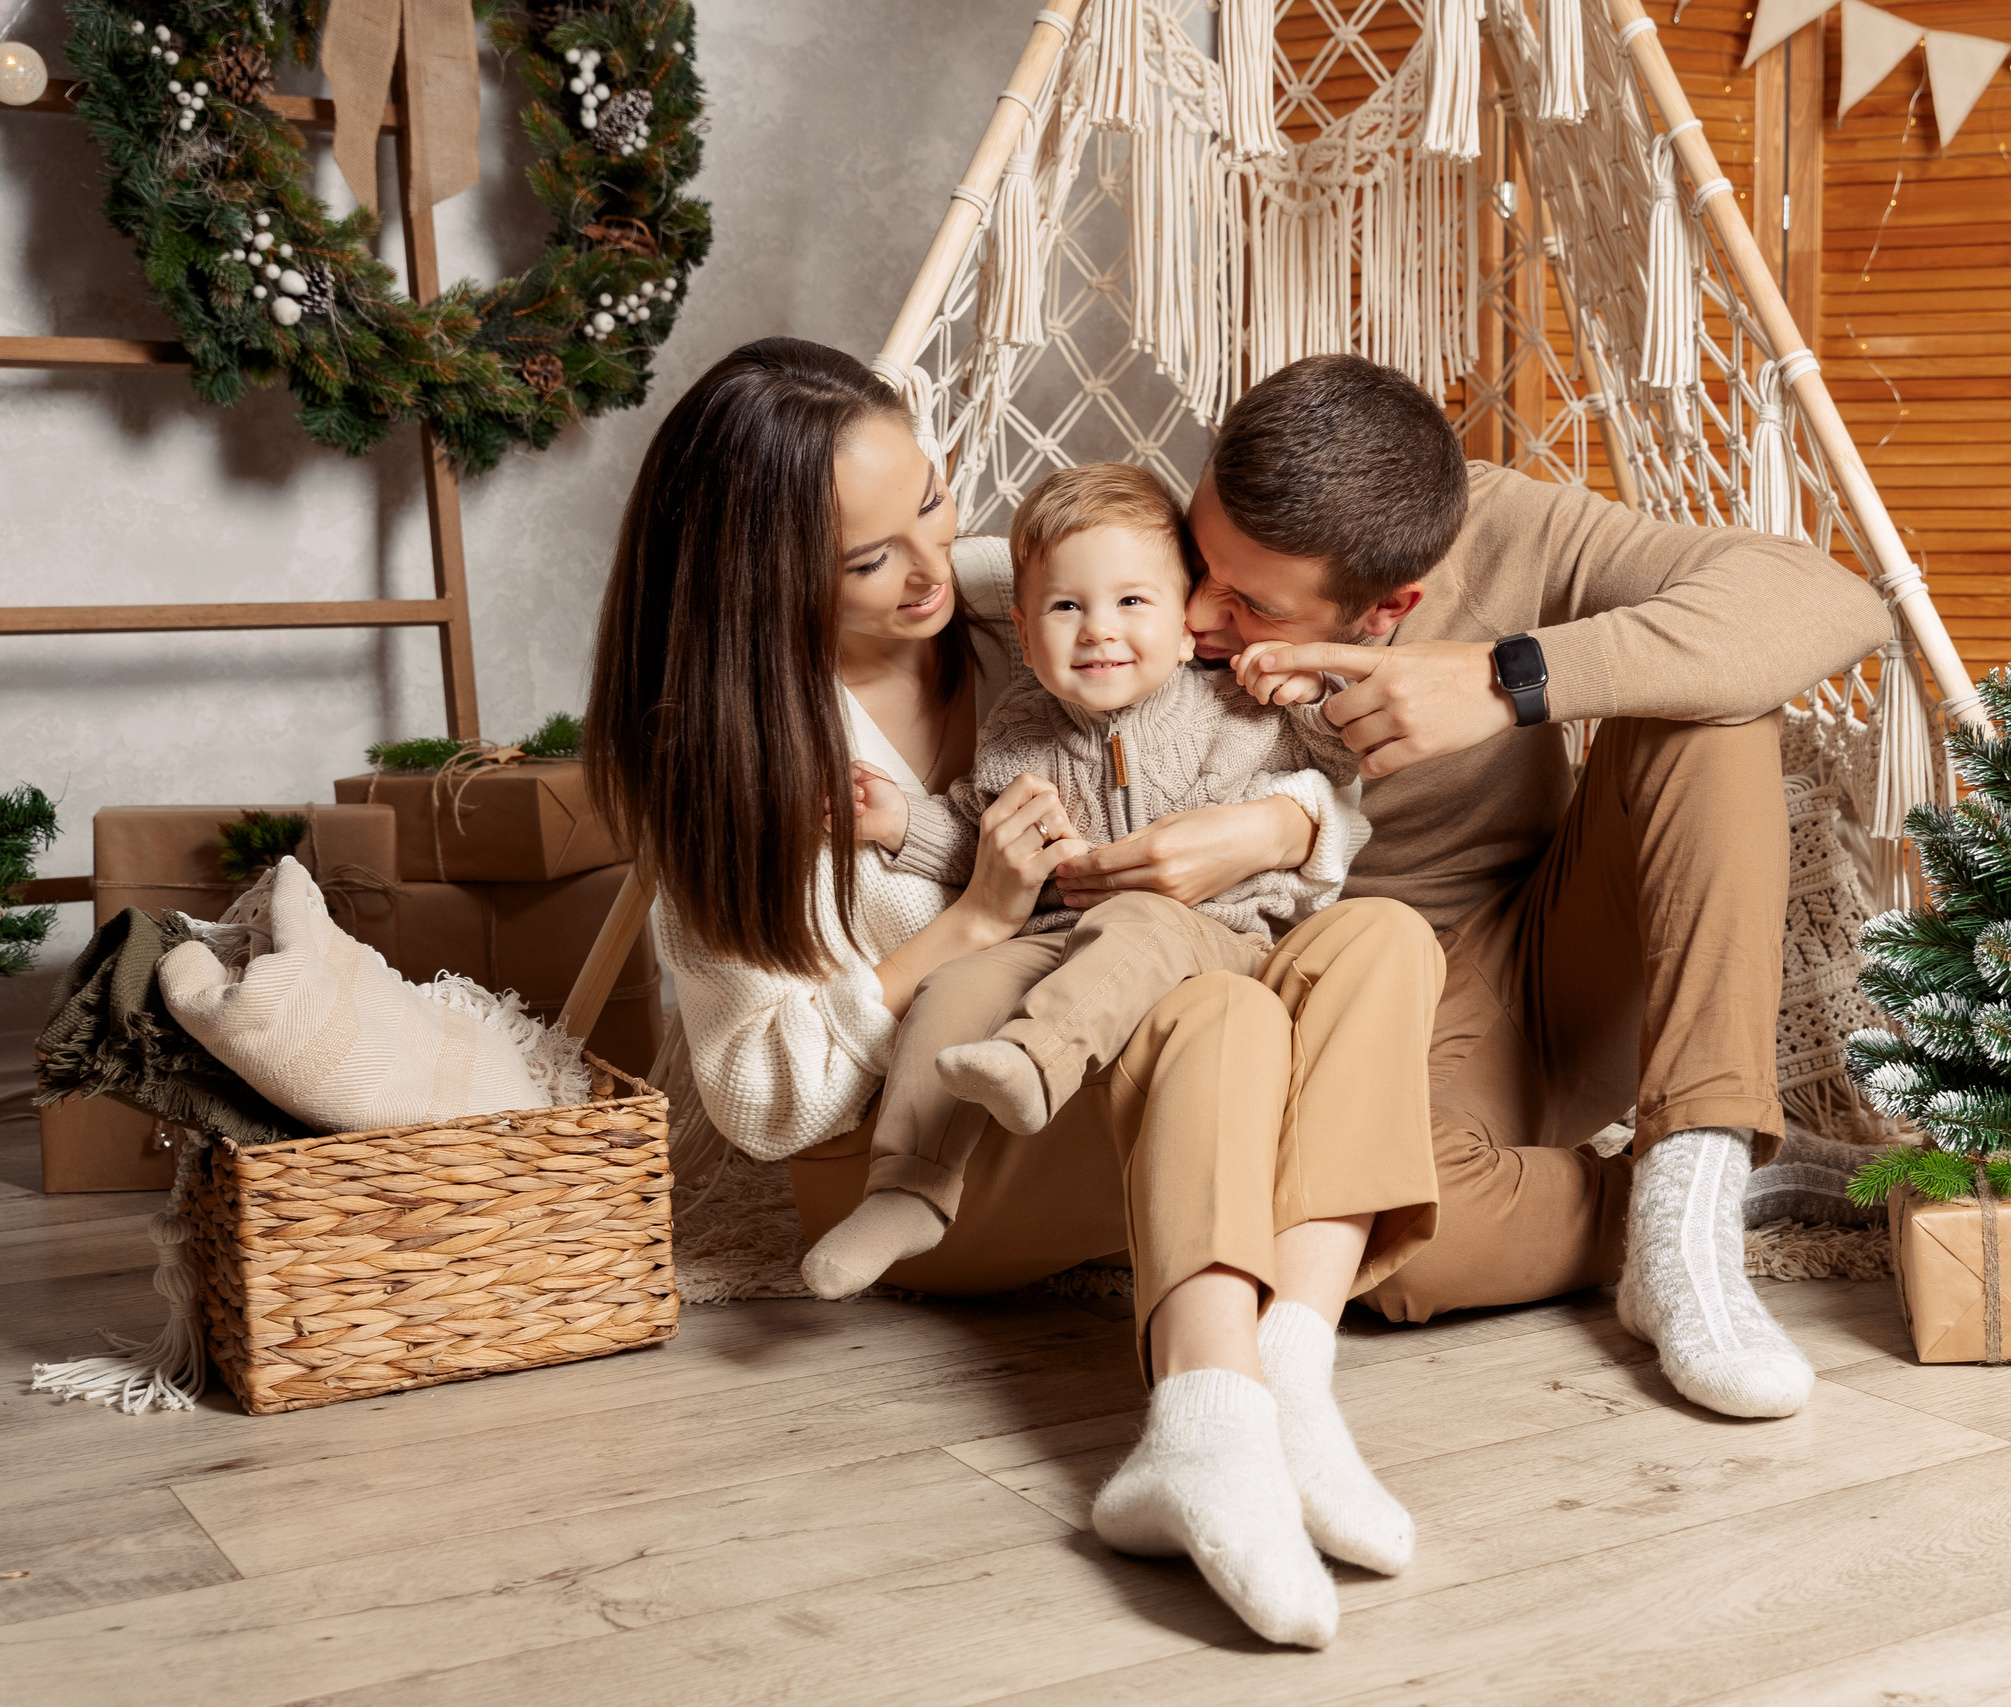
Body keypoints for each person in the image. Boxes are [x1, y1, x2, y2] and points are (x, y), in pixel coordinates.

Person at [585, 339, 1442, 1650]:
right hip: (943, 1146)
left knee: (1381, 934)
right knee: (1225, 1014)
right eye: (870, 560)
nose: (933, 564)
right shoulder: (741, 762)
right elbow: (763, 1101)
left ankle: (1288, 1377)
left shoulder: (1009, 595)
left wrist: (1274, 824)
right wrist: (968, 920)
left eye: (931, 498)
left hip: (1140, 1075)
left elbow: (1221, 679)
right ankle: (1211, 1415)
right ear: (767, 589)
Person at [1065, 354, 1895, 1419]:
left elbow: (1825, 601)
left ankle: (1696, 1174)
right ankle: (1686, 1201)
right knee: (1396, 1256)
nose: (1197, 617)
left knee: (1715, 701)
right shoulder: (1149, 595)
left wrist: (1505, 679)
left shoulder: (1502, 527)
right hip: (1354, 1029)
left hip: (1542, 970)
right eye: (1197, 561)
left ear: (1387, 608)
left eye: (1249, 603)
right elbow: (1025, 579)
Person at [803, 461, 1365, 1299]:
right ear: (1026, 639)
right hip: (1056, 948)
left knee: (1138, 921)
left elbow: (1339, 760)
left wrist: (1316, 691)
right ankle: (908, 1188)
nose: (1099, 629)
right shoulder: (1019, 731)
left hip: (1211, 949)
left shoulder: (1241, 710)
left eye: (1132, 602)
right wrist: (900, 822)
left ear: (1189, 628)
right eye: (1068, 607)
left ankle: (1035, 1059)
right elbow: (977, 842)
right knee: (954, 983)